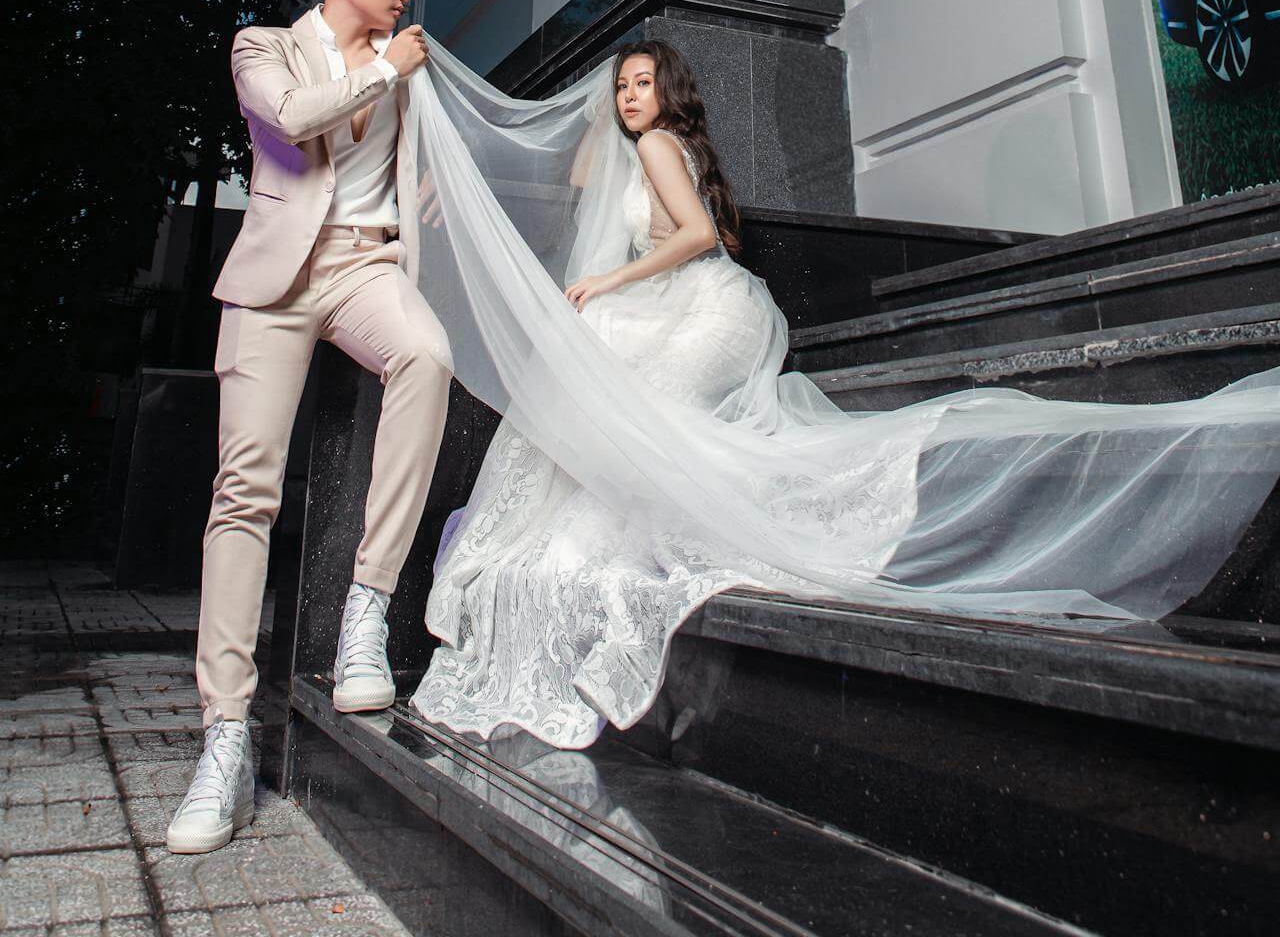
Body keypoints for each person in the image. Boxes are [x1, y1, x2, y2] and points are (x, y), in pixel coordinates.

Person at [401, 37, 1280, 751]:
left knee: (626, 403)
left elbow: (700, 235)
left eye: (641, 84)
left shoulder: (662, 145)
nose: (629, 98)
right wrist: (497, 144)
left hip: (713, 308)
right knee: (615, 394)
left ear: (669, 93)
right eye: (621, 86)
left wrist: (609, 280)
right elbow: (570, 172)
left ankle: (661, 532)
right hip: (687, 305)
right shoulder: (636, 150)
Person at [167, 0, 453, 855]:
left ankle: (366, 611)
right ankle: (224, 737)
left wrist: (427, 191)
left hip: (366, 267)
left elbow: (416, 165)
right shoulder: (264, 47)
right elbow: (291, 121)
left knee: (427, 356)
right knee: (244, 490)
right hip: (275, 281)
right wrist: (384, 72)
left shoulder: (405, 68)